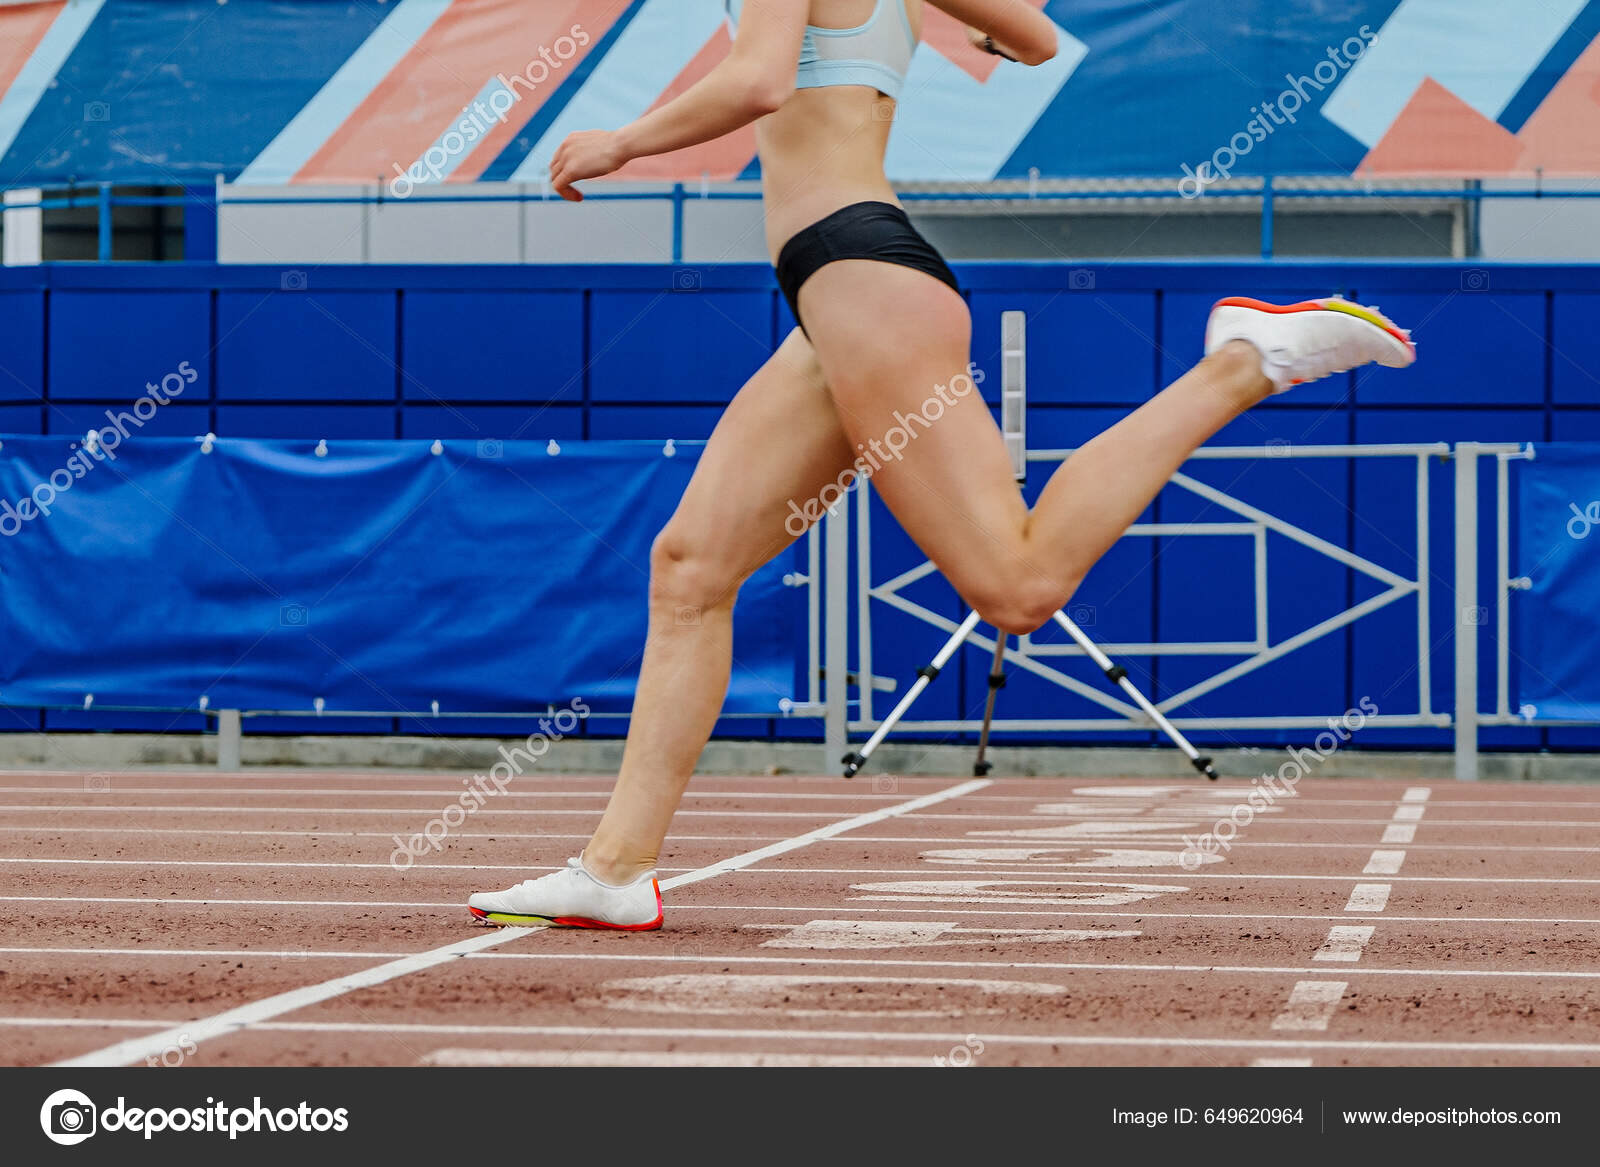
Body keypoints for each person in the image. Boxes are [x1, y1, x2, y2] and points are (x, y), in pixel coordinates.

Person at [469, 0, 1415, 929]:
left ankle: (1242, 364)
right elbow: (1039, 39)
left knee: (1019, 583)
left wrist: (622, 143)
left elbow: (757, 79)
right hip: (843, 288)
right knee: (690, 568)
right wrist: (983, 28)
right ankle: (615, 872)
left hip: (860, 279)